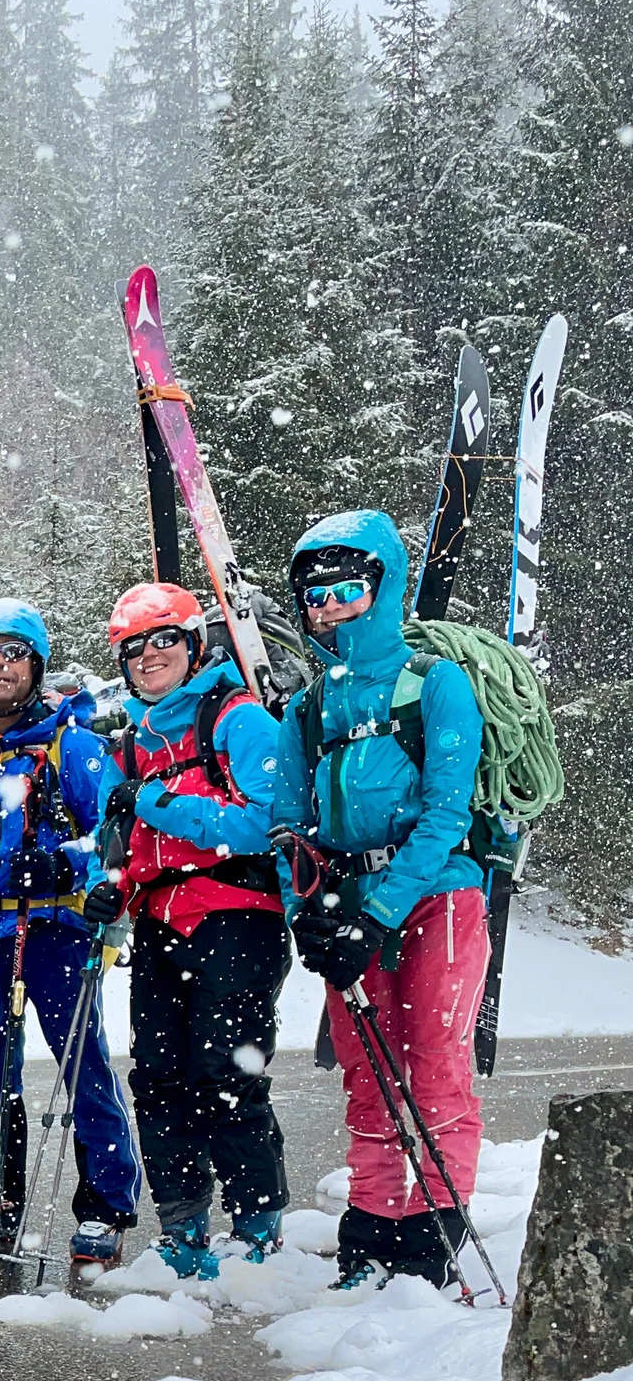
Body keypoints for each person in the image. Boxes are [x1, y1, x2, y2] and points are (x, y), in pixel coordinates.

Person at [271, 512, 487, 1289]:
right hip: (348, 905)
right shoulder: (308, 708)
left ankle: (432, 1226)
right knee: (368, 1070)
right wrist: (314, 913)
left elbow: (446, 813)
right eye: (316, 597)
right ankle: (371, 1221)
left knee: (433, 1065)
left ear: (383, 589)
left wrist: (378, 911)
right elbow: (289, 823)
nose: (329, 609)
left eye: (347, 591)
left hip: (437, 899)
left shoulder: (434, 683)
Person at [0, 598, 140, 1264]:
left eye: (12, 654)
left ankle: (106, 1204)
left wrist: (60, 859)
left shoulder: (71, 744)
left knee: (83, 1065)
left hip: (55, 931)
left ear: (34, 665)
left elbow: (115, 830)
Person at [83, 583, 289, 1279]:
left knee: (224, 1071)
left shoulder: (238, 719)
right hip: (161, 925)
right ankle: (181, 1227)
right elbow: (114, 843)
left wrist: (158, 804)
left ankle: (257, 1225)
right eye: (132, 648)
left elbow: (265, 823)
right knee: (159, 1077)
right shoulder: (133, 743)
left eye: (163, 639)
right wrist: (103, 888)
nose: (148, 657)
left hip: (238, 914)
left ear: (195, 643)